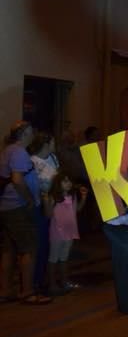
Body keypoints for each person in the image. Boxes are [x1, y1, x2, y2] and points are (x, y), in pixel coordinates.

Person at [0, 122, 50, 304]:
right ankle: (27, 292)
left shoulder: (8, 150)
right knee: (28, 249)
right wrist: (30, 199)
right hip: (18, 206)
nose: (33, 135)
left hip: (7, 206)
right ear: (23, 134)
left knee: (9, 250)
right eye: (30, 131)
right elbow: (17, 179)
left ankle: (5, 290)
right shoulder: (19, 152)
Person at [43, 173, 87, 295]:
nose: (68, 184)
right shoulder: (53, 197)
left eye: (69, 181)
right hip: (57, 232)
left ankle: (64, 281)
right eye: (65, 181)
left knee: (64, 258)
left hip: (70, 231)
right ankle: (52, 284)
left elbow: (77, 209)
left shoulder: (72, 196)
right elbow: (48, 215)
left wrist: (83, 197)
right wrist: (46, 201)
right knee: (53, 259)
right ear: (58, 183)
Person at [28, 131, 58, 293]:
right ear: (45, 144)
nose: (55, 145)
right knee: (39, 243)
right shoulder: (32, 161)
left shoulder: (53, 158)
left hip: (54, 205)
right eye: (53, 142)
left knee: (50, 243)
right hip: (40, 207)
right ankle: (35, 280)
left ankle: (45, 278)